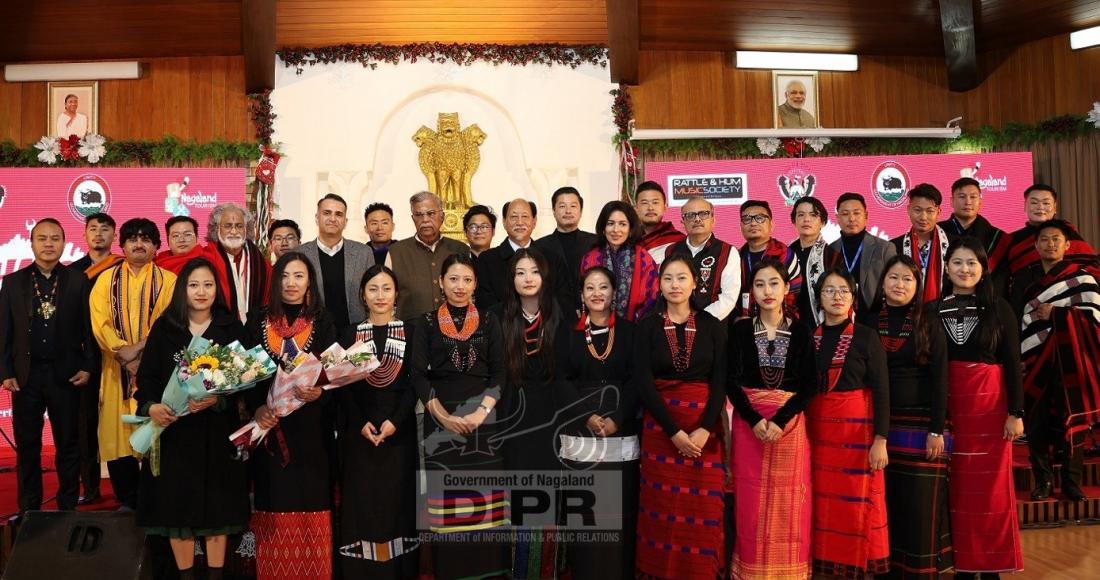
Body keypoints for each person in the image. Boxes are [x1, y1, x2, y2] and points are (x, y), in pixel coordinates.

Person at [134, 258, 250, 580]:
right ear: (183, 289)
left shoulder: (230, 327)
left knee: (217, 511)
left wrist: (219, 398)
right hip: (174, 433)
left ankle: (215, 575)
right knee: (177, 510)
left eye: (208, 285)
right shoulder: (165, 326)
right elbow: (147, 378)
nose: (201, 292)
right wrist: (151, 406)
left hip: (216, 433)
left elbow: (248, 380)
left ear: (218, 290)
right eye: (194, 285)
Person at [927, 238, 1024, 577]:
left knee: (991, 490)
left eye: (971, 263)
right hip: (950, 407)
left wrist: (1016, 412)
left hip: (991, 409)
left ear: (983, 269)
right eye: (957, 262)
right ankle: (964, 566)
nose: (964, 269)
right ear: (947, 268)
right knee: (958, 492)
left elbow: (1013, 362)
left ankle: (993, 567)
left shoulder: (1000, 308)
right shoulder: (932, 309)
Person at [409, 253, 509, 579]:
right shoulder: (424, 323)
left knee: (484, 505)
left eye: (467, 279)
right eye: (453, 279)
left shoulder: (490, 321)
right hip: (441, 424)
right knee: (448, 508)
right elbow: (418, 376)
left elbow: (500, 374)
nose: (460, 286)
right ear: (441, 282)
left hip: (483, 421)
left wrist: (481, 412)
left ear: (475, 284)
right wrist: (442, 416)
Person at [244, 252, 338, 580]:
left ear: (309, 281)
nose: (291, 283)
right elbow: (247, 374)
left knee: (312, 495)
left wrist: (320, 392)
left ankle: (314, 571)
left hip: (311, 429)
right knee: (272, 497)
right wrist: (257, 407)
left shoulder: (323, 320)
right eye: (284, 276)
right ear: (275, 281)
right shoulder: (257, 320)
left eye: (299, 276)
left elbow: (334, 372)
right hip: (270, 427)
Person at [633, 255, 727, 580]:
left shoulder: (712, 325)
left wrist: (704, 429)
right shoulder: (646, 326)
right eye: (668, 278)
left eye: (682, 278)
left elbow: (720, 381)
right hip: (661, 429)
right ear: (659, 284)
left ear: (695, 283)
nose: (675, 285)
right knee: (660, 508)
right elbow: (643, 382)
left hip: (705, 431)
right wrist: (673, 432)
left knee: (702, 509)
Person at [725, 258, 817, 579]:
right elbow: (730, 381)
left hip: (789, 430)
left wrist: (780, 420)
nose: (767, 291)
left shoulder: (803, 331)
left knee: (789, 505)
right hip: (749, 428)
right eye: (760, 284)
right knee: (750, 506)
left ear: (786, 288)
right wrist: (753, 419)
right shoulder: (738, 330)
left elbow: (810, 385)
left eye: (774, 283)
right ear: (751, 290)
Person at [0, 219, 95, 515]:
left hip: (65, 374)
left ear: (64, 243)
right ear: (32, 243)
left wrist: (89, 366)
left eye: (55, 238)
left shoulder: (78, 280)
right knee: (28, 446)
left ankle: (67, 507)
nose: (49, 243)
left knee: (68, 443)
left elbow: (90, 330)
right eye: (42, 238)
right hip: (26, 377)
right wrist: (5, 372)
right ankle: (29, 510)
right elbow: (4, 331)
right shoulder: (13, 282)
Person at [867, 256, 952, 578]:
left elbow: (941, 378)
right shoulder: (869, 321)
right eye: (893, 278)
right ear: (883, 283)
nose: (899, 285)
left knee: (919, 507)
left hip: (920, 427)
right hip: (881, 427)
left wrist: (936, 429)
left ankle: (919, 571)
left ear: (917, 286)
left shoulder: (929, 322)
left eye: (907, 279)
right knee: (887, 502)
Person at [806, 266, 890, 578]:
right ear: (819, 298)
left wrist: (880, 439)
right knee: (823, 507)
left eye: (844, 290)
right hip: (818, 437)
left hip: (857, 437)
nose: (837, 296)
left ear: (853, 297)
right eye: (829, 290)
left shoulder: (867, 337)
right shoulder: (807, 337)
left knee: (857, 506)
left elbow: (882, 391)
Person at [557, 266, 639, 579]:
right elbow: (561, 380)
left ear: (614, 292)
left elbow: (636, 381)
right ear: (581, 294)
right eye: (590, 287)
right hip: (581, 428)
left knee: (620, 512)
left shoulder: (631, 331)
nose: (596, 293)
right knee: (587, 512)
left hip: (620, 427)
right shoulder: (568, 331)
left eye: (603, 287)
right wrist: (586, 416)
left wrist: (618, 418)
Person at [338, 265, 419, 578]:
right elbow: (341, 385)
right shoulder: (350, 333)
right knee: (362, 503)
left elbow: (416, 383)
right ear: (362, 295)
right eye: (373, 288)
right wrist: (359, 422)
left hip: (399, 432)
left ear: (396, 293)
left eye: (387, 288)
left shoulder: (411, 332)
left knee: (398, 502)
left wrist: (395, 422)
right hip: (360, 433)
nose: (380, 295)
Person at [90, 218, 177, 510]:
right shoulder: (105, 280)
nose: (139, 244)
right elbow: (99, 321)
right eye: (132, 239)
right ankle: (127, 498)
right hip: (116, 371)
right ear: (122, 245)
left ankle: (155, 499)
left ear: (156, 246)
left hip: (156, 373)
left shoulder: (169, 281)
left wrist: (138, 354)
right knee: (117, 433)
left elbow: (169, 323)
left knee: (155, 430)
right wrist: (120, 351)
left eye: (146, 239)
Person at [1018, 220, 1100, 502]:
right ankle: (1042, 480)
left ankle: (1071, 482)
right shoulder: (1027, 283)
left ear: (1067, 245)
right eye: (1044, 239)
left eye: (1056, 239)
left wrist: (1056, 313)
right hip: (1035, 360)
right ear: (1036, 244)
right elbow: (1022, 323)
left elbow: (1094, 321)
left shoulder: (1084, 279)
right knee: (1036, 422)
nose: (1050, 244)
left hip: (1072, 361)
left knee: (1073, 421)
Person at [495, 247, 564, 577]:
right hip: (512, 418)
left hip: (551, 418)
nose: (527, 278)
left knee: (547, 498)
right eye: (520, 272)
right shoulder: (498, 315)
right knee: (516, 500)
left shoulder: (559, 315)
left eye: (534, 271)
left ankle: (545, 570)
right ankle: (516, 570)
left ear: (545, 276)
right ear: (512, 279)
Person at [69, 211, 120, 504]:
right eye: (93, 229)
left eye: (105, 229)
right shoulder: (72, 273)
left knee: (121, 420)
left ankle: (128, 487)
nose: (98, 234)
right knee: (85, 424)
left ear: (114, 236)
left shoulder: (124, 269)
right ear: (85, 235)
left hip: (119, 355)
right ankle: (89, 487)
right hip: (84, 358)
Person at [993, 184, 1100, 301]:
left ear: (1055, 208)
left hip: (1068, 300)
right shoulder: (1011, 241)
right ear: (1025, 206)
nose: (1040, 207)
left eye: (1046, 203)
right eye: (1034, 203)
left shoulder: (1067, 233)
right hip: (1026, 299)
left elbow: (1090, 267)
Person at [475, 198, 571, 312]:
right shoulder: (487, 260)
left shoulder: (552, 259)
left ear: (534, 222)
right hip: (502, 327)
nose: (519, 222)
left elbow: (563, 302)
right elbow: (485, 305)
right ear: (504, 222)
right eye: (514, 217)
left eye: (525, 216)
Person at [299, 193, 374, 332]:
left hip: (355, 333)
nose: (333, 218)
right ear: (317, 218)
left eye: (339, 214)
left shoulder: (363, 253)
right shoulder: (300, 254)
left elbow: (372, 294)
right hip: (313, 333)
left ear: (345, 221)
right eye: (327, 213)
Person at [386, 192, 469, 318]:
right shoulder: (396, 252)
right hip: (411, 331)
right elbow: (386, 297)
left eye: (431, 213)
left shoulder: (461, 249)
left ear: (442, 216)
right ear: (413, 219)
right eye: (419, 215)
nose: (425, 220)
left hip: (454, 330)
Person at [579, 201, 659, 322]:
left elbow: (653, 294)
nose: (616, 230)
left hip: (636, 327)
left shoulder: (643, 258)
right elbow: (584, 293)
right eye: (610, 224)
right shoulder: (590, 258)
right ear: (603, 228)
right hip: (598, 326)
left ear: (630, 229)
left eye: (622, 224)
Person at [665, 196, 741, 321]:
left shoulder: (727, 252)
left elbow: (729, 297)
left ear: (713, 219)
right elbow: (665, 289)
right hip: (675, 323)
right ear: (682, 222)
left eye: (703, 214)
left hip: (712, 325)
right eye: (690, 215)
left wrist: (698, 319)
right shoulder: (671, 251)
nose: (697, 219)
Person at [830, 192, 897, 319]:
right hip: (840, 318)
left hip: (876, 317)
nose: (851, 219)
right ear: (837, 218)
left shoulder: (885, 248)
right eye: (845, 214)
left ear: (866, 216)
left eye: (856, 213)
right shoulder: (830, 250)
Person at [203, 203, 272, 325]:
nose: (234, 231)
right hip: (217, 331)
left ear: (246, 229)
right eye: (228, 226)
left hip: (255, 331)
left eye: (239, 226)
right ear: (216, 228)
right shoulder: (205, 259)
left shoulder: (261, 263)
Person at [536, 186, 598, 315]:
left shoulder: (595, 242)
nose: (568, 211)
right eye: (562, 206)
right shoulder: (539, 246)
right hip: (553, 315)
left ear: (581, 211)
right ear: (553, 211)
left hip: (591, 312)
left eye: (573, 206)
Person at [737, 201, 800, 319]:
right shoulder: (736, 257)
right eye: (747, 219)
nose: (753, 223)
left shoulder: (785, 254)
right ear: (741, 226)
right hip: (744, 326)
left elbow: (794, 295)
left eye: (760, 218)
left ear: (771, 224)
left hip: (781, 323)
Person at [890, 184, 951, 303]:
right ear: (908, 210)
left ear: (938, 212)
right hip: (905, 313)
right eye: (918, 210)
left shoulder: (953, 245)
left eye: (930, 211)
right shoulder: (893, 247)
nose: (923, 217)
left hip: (945, 313)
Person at [788, 197, 839, 327]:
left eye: (813, 215)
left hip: (822, 325)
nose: (806, 219)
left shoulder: (831, 256)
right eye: (801, 215)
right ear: (794, 221)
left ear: (822, 222)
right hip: (790, 325)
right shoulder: (786, 254)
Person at [938, 177, 1007, 267]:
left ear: (980, 202)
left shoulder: (996, 237)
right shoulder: (938, 232)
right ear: (952, 201)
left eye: (973, 197)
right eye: (962, 197)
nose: (968, 202)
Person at [634, 181, 685, 265]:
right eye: (644, 203)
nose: (650, 208)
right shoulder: (629, 241)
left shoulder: (679, 241)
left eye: (655, 202)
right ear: (636, 208)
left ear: (665, 207)